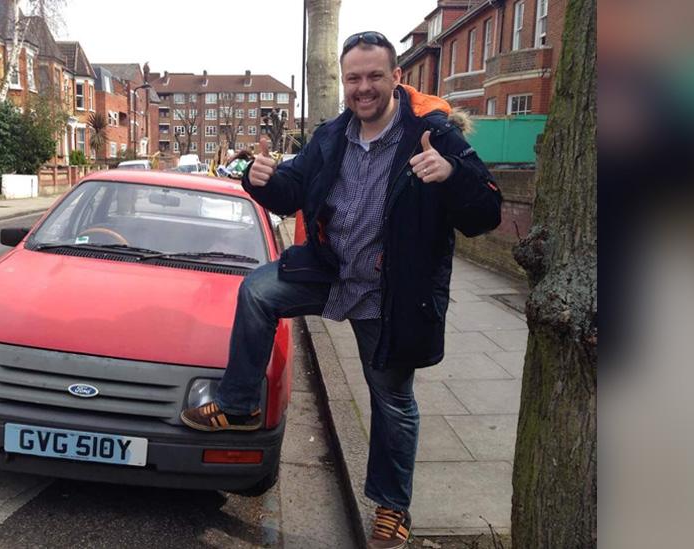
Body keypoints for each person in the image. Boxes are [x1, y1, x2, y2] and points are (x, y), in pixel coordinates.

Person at [181, 31, 501, 549]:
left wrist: (451, 176)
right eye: (354, 78)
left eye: (375, 76)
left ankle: (393, 509)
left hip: (389, 295)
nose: (363, 87)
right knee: (258, 292)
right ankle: (238, 405)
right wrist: (262, 179)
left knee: (392, 400)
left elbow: (486, 212)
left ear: (397, 78)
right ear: (345, 83)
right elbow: (293, 195)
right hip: (331, 270)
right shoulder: (331, 135)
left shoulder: (433, 135)